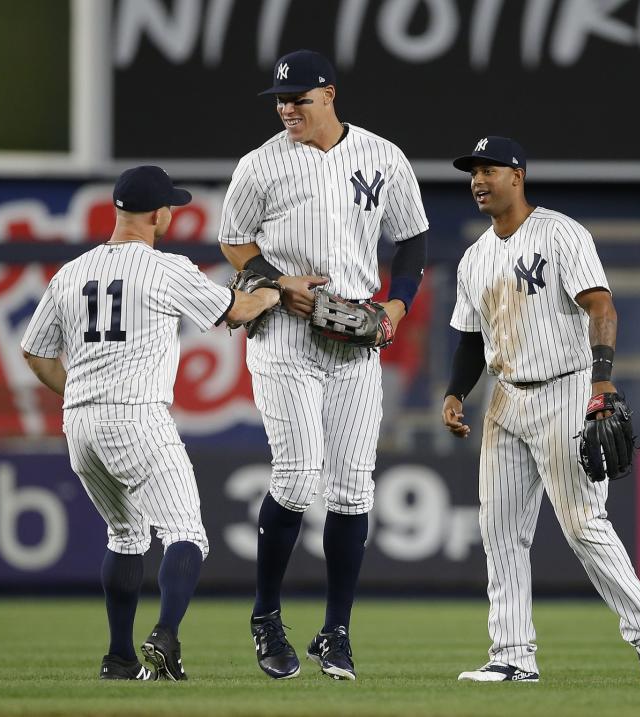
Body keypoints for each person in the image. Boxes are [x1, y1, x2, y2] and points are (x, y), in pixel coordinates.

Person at [21, 165, 281, 681]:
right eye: (171, 207)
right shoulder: (166, 268)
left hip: (80, 424)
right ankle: (165, 637)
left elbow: (35, 354)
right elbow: (237, 312)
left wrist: (76, 391)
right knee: (187, 534)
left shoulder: (71, 272)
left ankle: (118, 659)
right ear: (159, 213)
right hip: (136, 415)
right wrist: (275, 292)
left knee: (124, 535)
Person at [217, 49, 429, 681]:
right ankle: (266, 615)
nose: (288, 109)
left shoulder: (382, 156)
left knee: (353, 487)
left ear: (330, 95)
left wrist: (396, 303)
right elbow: (233, 242)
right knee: (298, 473)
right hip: (284, 335)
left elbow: (412, 239)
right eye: (281, 101)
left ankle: (336, 631)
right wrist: (280, 283)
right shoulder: (259, 165)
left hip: (355, 339)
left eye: (300, 99)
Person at [441, 137, 640, 684]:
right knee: (498, 531)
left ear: (517, 176)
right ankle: (513, 656)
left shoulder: (561, 233)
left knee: (583, 525)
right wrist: (456, 393)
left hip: (567, 388)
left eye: (489, 170)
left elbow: (601, 306)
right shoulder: (474, 257)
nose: (478, 180)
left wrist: (603, 382)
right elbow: (471, 341)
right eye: (472, 172)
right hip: (505, 398)